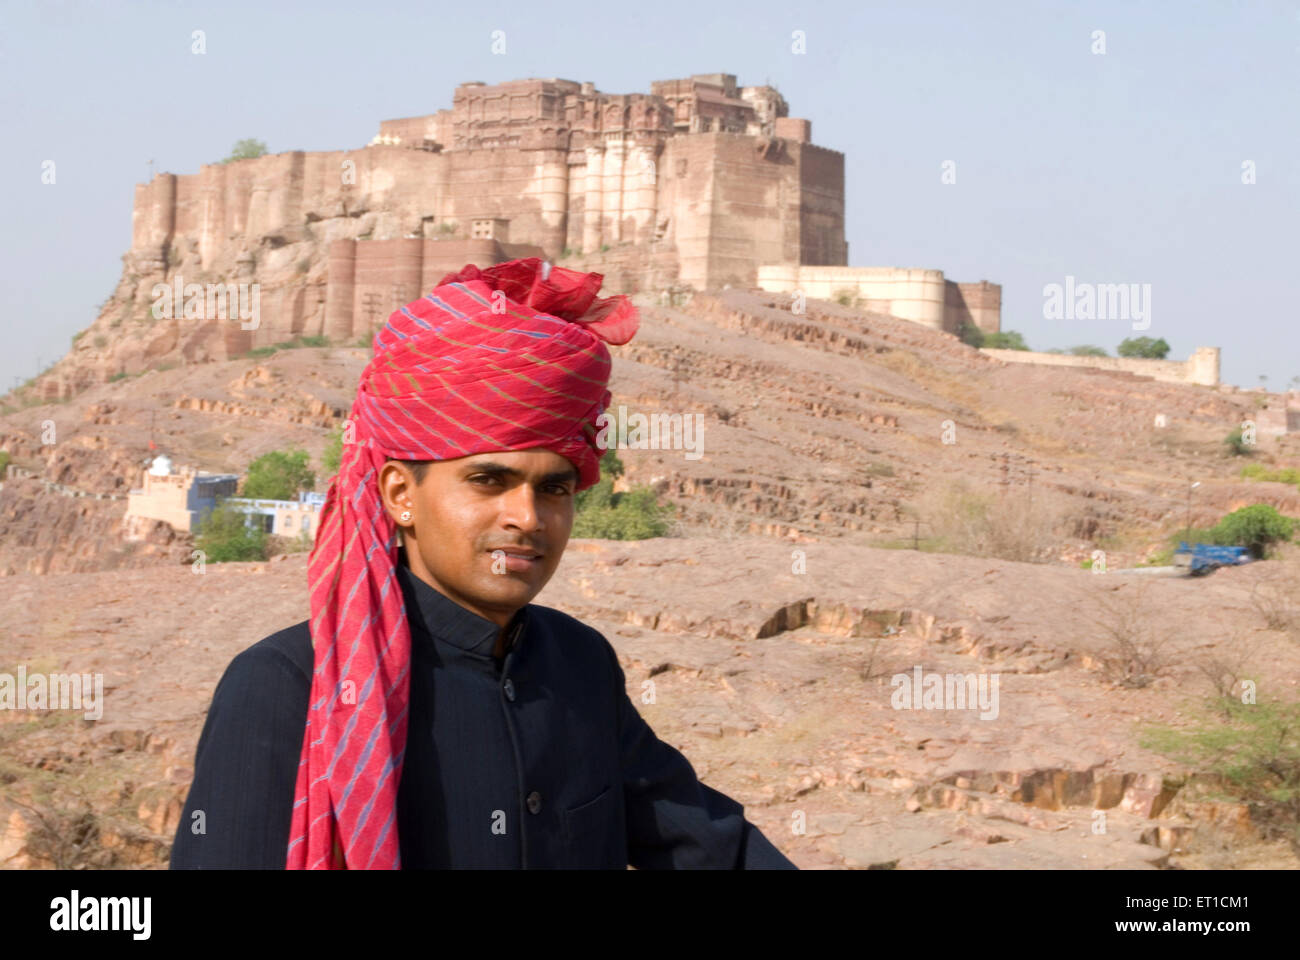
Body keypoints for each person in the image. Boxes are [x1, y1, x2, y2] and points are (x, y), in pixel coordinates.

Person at [169, 257, 795, 870]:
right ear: (400, 495)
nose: (527, 515)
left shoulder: (578, 664)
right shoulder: (288, 685)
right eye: (489, 480)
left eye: (553, 487)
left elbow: (706, 843)